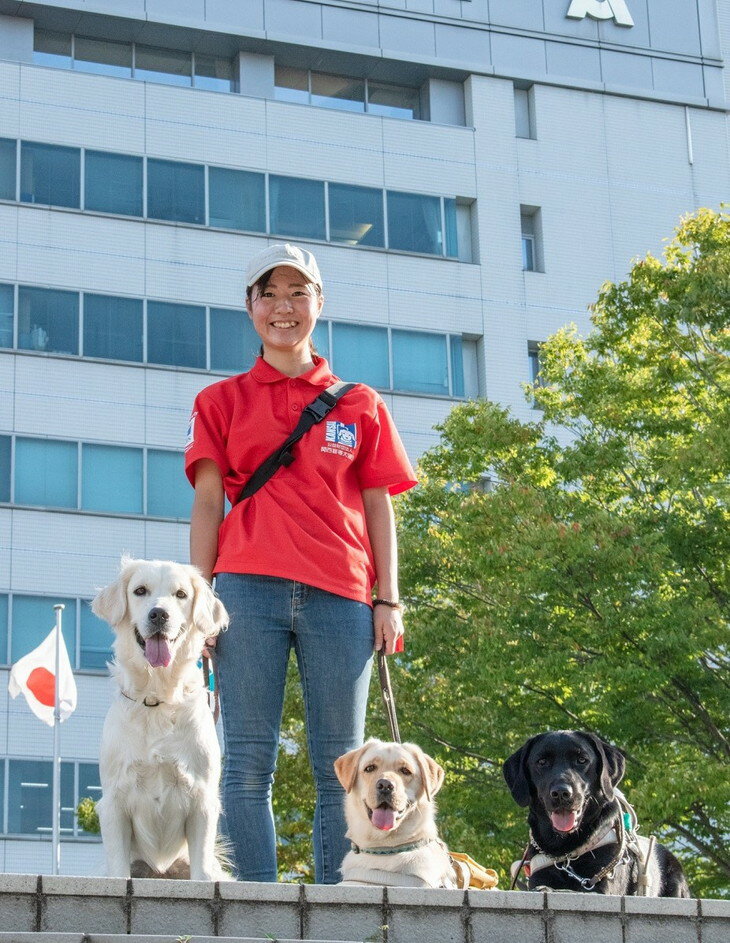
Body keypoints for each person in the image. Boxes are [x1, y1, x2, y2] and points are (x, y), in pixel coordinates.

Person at [185, 243, 416, 884]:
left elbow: (378, 507)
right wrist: (198, 604)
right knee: (246, 761)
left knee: (340, 764)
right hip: (245, 589)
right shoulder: (221, 400)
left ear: (319, 303)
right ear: (251, 308)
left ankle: (333, 903)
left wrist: (388, 598)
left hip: (341, 594)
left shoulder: (358, 403)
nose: (283, 307)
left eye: (297, 293)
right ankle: (256, 903)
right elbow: (209, 503)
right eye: (269, 294)